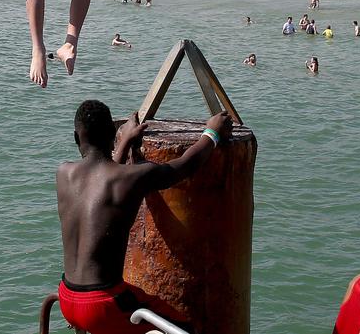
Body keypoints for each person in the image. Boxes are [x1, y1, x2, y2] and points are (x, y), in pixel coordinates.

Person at [55, 101, 233, 334]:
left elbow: (103, 182)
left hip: (67, 298)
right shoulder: (134, 176)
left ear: (76, 138)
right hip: (105, 303)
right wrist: (212, 133)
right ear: (112, 134)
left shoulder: (63, 173)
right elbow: (185, 166)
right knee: (182, 329)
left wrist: (127, 141)